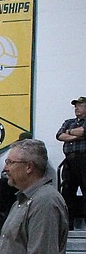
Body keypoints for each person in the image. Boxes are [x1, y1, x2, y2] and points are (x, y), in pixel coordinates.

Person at [56, 96, 86, 229]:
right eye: (75, 106)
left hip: (84, 159)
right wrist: (76, 135)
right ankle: (67, 226)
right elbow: (59, 135)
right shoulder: (68, 122)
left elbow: (84, 131)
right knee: (67, 194)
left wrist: (70, 135)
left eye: (80, 105)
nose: (76, 108)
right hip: (69, 161)